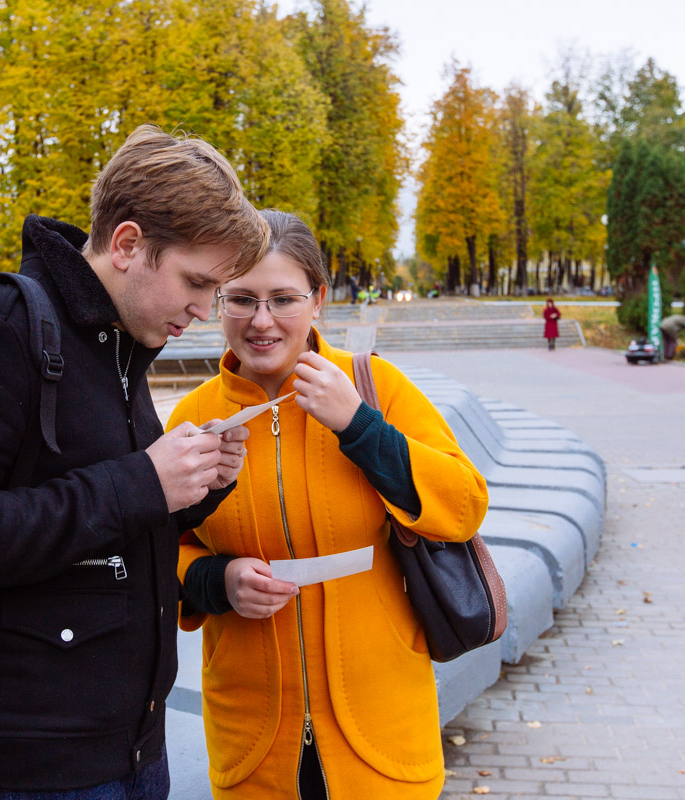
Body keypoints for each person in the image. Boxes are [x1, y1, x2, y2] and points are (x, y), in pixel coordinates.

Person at [0, 125, 269, 799]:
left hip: (132, 750)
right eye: (196, 282)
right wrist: (142, 480)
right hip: (33, 767)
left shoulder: (116, 344)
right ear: (127, 245)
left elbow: (100, 528)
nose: (205, 311)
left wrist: (197, 486)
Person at [170, 210, 489, 799]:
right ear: (219, 301)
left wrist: (360, 427)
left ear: (317, 299)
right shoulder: (194, 417)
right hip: (256, 742)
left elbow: (464, 505)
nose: (261, 321)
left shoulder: (376, 387)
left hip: (380, 732)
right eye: (241, 299)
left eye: (283, 298)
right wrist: (218, 581)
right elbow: (157, 555)